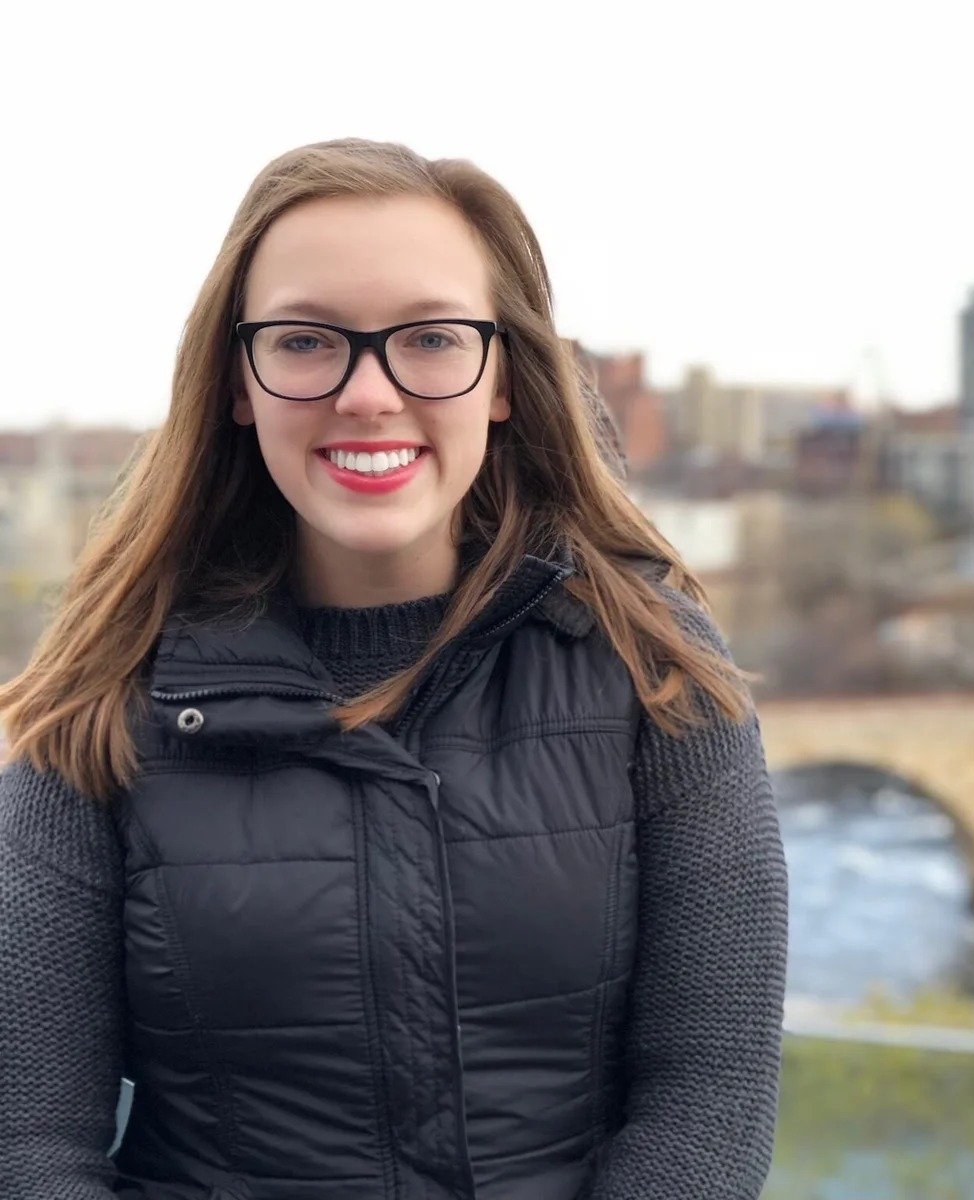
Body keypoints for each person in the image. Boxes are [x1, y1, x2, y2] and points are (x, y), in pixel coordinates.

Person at [0, 138, 789, 1200]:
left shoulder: (654, 669)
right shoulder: (105, 703)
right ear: (238, 382)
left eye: (430, 338)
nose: (369, 395)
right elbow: (27, 1142)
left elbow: (708, 1100)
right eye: (305, 340)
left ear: (502, 377)